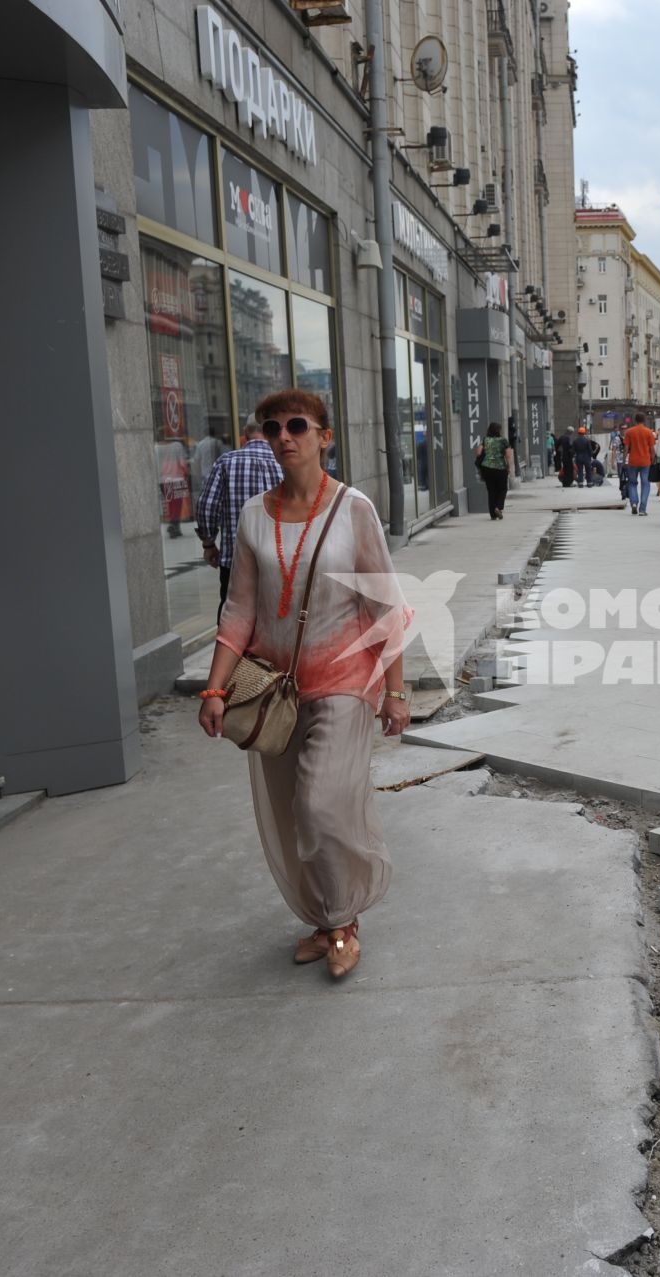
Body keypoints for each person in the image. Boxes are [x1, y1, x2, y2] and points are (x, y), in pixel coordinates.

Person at [198, 388, 413, 982]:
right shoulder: (250, 517)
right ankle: (323, 919)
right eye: (272, 428)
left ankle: (344, 921)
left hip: (346, 680)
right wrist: (215, 690)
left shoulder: (354, 509)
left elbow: (385, 607)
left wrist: (396, 690)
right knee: (294, 814)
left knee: (321, 803)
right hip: (275, 693)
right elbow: (238, 611)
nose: (284, 436)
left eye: (297, 425)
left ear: (325, 436)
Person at [196, 423, 284, 618]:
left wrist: (208, 543)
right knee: (277, 615)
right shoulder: (284, 463)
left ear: (245, 435)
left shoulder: (226, 462)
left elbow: (206, 506)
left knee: (232, 616)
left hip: (234, 559)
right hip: (279, 560)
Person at [622, 412, 658, 516]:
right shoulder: (648, 432)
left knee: (632, 483)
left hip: (633, 461)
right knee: (645, 484)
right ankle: (642, 509)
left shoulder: (629, 432)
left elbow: (626, 448)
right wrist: (653, 460)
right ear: (644, 420)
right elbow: (652, 449)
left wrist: (624, 461)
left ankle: (633, 503)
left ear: (635, 420)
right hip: (645, 461)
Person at [474, 422, 510, 520]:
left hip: (487, 468)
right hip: (500, 468)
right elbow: (508, 455)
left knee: (491, 491)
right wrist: (508, 467)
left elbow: (478, 453)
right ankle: (498, 507)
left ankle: (493, 515)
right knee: (502, 489)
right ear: (499, 431)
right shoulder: (503, 441)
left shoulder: (485, 440)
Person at [191, 423, 229, 514]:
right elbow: (225, 455)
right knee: (218, 496)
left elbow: (196, 460)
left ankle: (208, 512)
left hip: (205, 473)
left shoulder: (200, 444)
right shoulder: (218, 442)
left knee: (207, 496)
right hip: (217, 473)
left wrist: (198, 474)